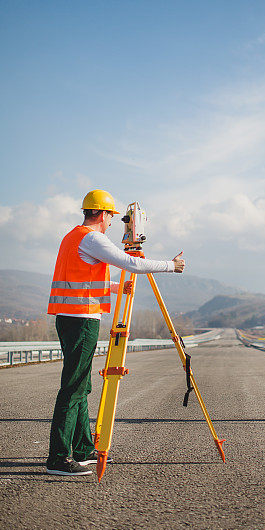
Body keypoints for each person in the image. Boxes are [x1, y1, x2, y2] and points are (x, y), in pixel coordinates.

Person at [46, 189, 185, 476]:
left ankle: (83, 449)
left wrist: (114, 289)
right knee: (73, 388)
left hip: (69, 318)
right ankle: (58, 458)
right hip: (82, 320)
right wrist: (171, 266)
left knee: (81, 386)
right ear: (104, 213)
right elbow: (130, 263)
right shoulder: (92, 238)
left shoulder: (72, 236)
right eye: (111, 216)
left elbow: (80, 281)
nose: (113, 222)